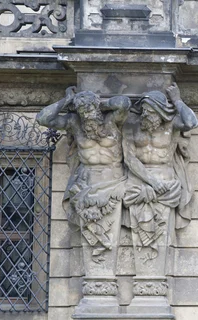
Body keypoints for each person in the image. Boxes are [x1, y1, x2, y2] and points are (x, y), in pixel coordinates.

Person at [36, 87, 131, 262]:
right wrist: (67, 101)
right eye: (81, 111)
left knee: (110, 230)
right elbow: (43, 118)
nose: (86, 115)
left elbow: (124, 103)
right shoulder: (75, 123)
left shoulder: (111, 121)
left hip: (113, 182)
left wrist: (96, 103)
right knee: (90, 229)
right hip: (86, 183)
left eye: (88, 110)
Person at [123, 83, 198, 261]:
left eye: (150, 111)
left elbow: (191, 122)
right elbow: (129, 159)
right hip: (140, 183)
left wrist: (177, 100)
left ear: (160, 111)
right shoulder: (133, 128)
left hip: (167, 185)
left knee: (163, 232)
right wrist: (152, 182)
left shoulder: (171, 126)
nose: (146, 115)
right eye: (144, 111)